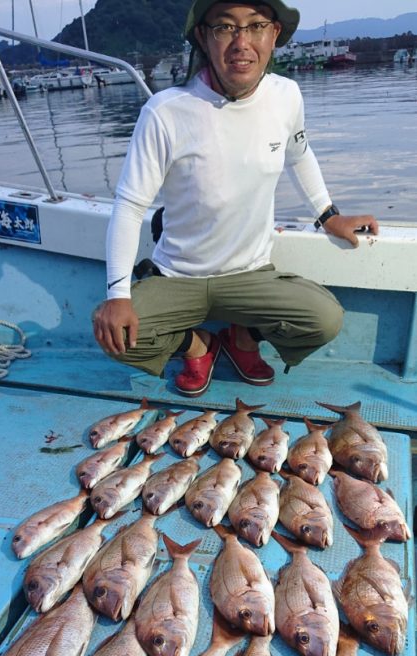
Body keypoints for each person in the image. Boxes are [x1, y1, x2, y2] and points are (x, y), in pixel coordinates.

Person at [93, 0, 379, 397]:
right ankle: (198, 344)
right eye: (225, 28)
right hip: (178, 276)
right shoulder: (165, 112)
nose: (241, 42)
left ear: (274, 34)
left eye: (255, 26)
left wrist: (328, 215)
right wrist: (118, 296)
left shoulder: (287, 96)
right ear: (203, 37)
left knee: (325, 319)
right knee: (114, 335)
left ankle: (242, 338)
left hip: (251, 273)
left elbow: (300, 153)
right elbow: (129, 205)